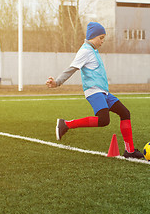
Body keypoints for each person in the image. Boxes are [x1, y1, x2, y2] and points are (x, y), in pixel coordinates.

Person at [46, 22, 144, 159]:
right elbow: (72, 69)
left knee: (125, 113)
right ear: (92, 36)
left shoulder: (93, 50)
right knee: (104, 120)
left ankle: (130, 151)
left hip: (104, 93)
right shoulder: (85, 51)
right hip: (94, 91)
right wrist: (57, 82)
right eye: (101, 38)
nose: (102, 41)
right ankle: (66, 124)